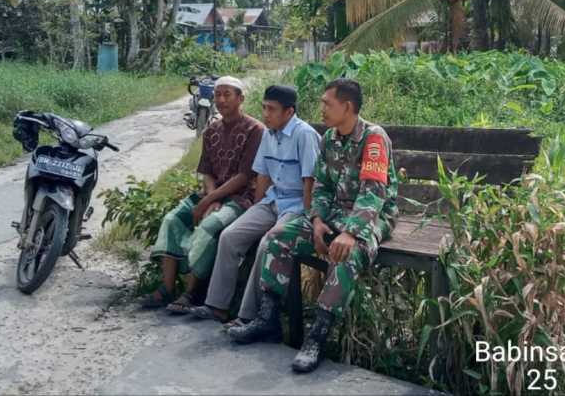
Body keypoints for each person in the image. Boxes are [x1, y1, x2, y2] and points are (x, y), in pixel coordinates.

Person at [228, 78, 399, 374]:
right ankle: (268, 320)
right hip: (332, 215)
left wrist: (348, 233)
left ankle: (318, 336)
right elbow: (320, 187)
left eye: (326, 103)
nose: (320, 108)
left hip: (370, 217)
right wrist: (317, 221)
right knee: (277, 238)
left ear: (347, 107)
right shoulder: (328, 138)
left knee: (344, 254)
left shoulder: (374, 138)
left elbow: (373, 194)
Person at [189, 85, 320, 323]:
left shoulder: (305, 135)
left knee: (266, 244)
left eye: (271, 109)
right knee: (230, 236)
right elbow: (262, 175)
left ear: (289, 112)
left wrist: (309, 216)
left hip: (297, 205)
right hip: (272, 201)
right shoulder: (269, 134)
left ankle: (248, 317)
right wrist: (256, 209)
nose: (265, 114)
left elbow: (309, 180)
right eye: (264, 108)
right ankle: (217, 306)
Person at [139, 76, 263, 312]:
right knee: (172, 219)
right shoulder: (211, 130)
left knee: (209, 226)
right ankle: (166, 288)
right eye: (218, 94)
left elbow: (244, 176)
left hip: (240, 198)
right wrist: (210, 197)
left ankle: (191, 293)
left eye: (228, 94)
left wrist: (209, 201)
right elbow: (206, 171)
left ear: (241, 98)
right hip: (211, 193)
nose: (222, 100)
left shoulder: (255, 130)